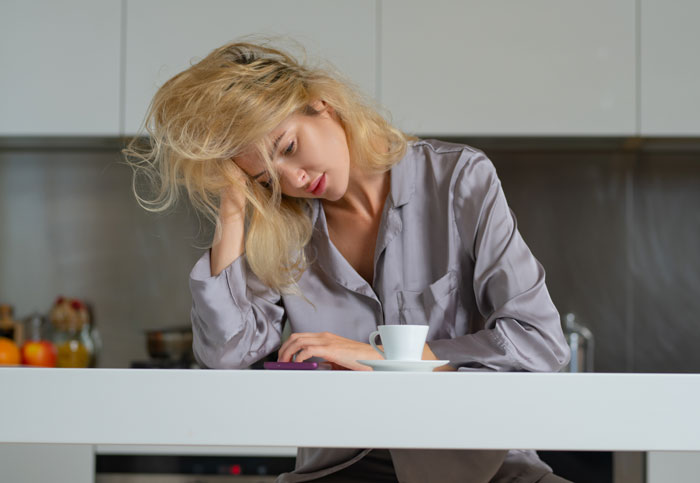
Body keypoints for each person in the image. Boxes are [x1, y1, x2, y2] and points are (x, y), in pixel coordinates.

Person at [124, 39, 573, 483]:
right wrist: (233, 210)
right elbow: (227, 355)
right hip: (343, 467)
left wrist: (381, 359)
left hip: (482, 463)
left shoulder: (458, 179)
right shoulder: (281, 225)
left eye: (287, 146)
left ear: (322, 106)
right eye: (265, 177)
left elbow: (539, 342)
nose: (295, 179)